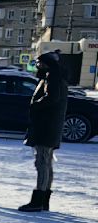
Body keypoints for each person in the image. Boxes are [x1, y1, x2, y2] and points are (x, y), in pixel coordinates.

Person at [18, 50, 68, 212]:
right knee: (46, 162)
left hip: (46, 127)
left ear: (47, 64)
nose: (37, 66)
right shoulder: (54, 77)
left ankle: (38, 200)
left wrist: (35, 105)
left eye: (39, 63)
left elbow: (51, 98)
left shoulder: (52, 78)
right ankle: (43, 199)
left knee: (42, 162)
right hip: (48, 127)